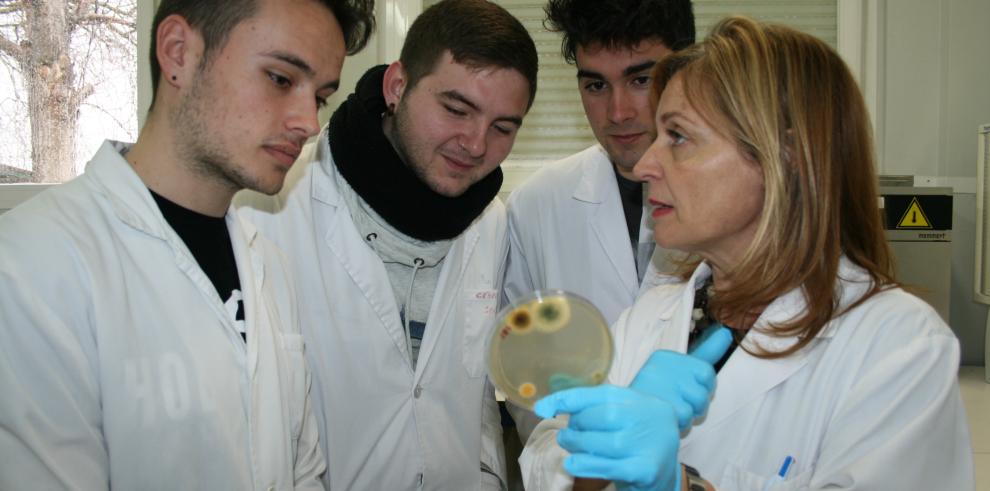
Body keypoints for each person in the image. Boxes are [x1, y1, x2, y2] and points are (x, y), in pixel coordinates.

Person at [520, 16, 974, 491]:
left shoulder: (900, 347)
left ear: (786, 155)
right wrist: (601, 454)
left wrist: (680, 486)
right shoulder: (654, 314)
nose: (647, 165)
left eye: (677, 136)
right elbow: (546, 455)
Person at [0, 0, 374, 489]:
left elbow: (303, 471)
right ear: (178, 53)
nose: (308, 122)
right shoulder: (30, 266)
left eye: (320, 97)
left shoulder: (268, 265)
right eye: (281, 79)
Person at [233, 0, 538, 488]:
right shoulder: (272, 206)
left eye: (503, 128)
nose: (477, 144)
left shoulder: (493, 224)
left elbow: (473, 395)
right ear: (397, 86)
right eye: (457, 110)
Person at [502, 0, 696, 446]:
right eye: (595, 85)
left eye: (641, 79)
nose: (618, 112)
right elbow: (525, 372)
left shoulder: (733, 198)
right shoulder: (536, 205)